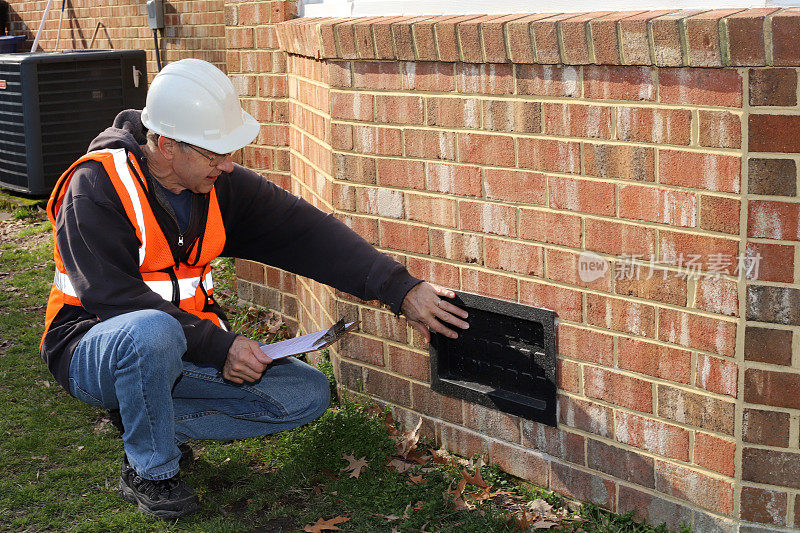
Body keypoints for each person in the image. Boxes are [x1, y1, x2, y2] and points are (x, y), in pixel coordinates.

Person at [40, 58, 469, 520]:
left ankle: (148, 421)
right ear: (166, 145)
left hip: (185, 351)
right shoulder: (96, 186)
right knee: (150, 332)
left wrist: (401, 290)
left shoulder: (217, 185)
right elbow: (113, 298)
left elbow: (305, 233)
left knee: (307, 394)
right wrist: (219, 346)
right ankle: (152, 470)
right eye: (214, 154)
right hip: (90, 346)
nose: (228, 166)